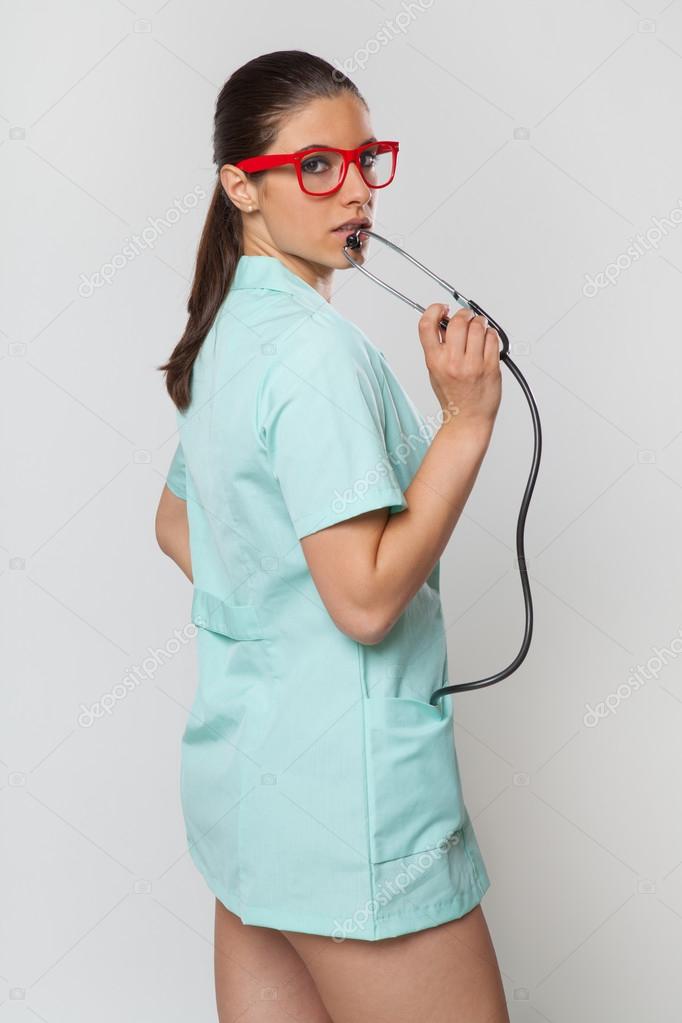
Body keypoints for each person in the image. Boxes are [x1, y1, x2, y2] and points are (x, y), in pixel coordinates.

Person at [155, 49, 508, 1023]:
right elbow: (361, 601)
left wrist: (277, 604)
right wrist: (465, 424)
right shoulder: (315, 355)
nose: (353, 190)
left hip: (251, 795)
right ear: (243, 187)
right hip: (353, 822)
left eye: (365, 161)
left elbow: (179, 523)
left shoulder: (228, 333)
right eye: (317, 166)